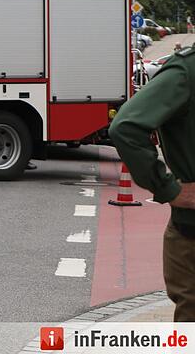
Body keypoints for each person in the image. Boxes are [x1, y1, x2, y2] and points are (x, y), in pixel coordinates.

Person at [110, 46, 195, 322]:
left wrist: (169, 189)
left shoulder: (185, 71)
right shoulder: (185, 72)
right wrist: (169, 189)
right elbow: (125, 128)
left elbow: (125, 126)